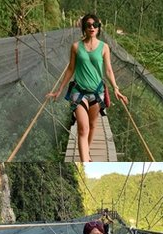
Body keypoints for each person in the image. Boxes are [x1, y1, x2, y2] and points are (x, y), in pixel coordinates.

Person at [47, 13, 128, 162]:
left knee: (91, 125)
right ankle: (85, 160)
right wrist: (60, 89)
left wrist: (116, 88)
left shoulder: (104, 47)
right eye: (88, 25)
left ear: (98, 28)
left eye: (95, 25)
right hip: (79, 92)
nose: (92, 27)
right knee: (83, 128)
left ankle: (87, 150)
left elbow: (109, 70)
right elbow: (70, 69)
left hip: (97, 92)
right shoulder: (76, 47)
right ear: (84, 27)